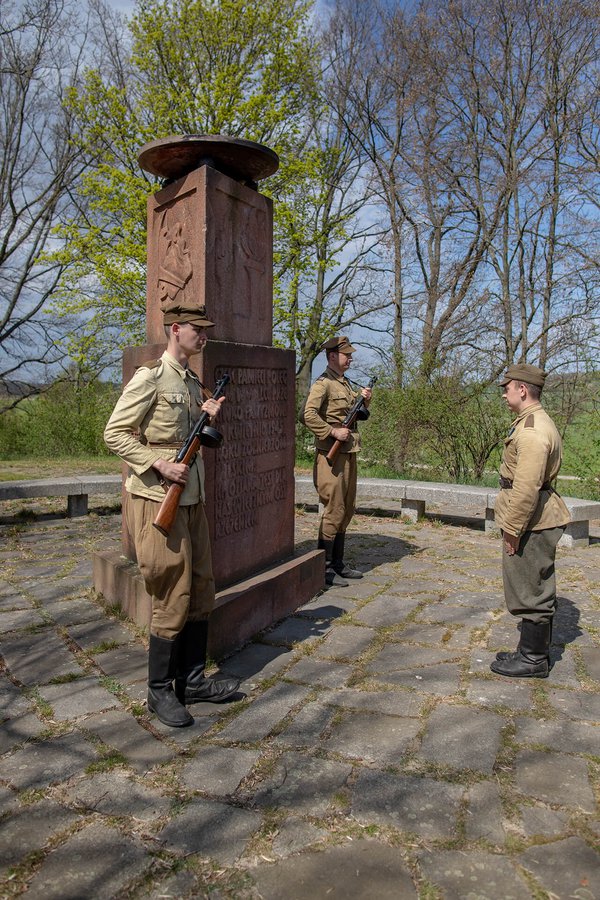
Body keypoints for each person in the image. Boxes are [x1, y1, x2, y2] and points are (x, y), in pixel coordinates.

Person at [104, 304, 239, 727]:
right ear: (176, 329)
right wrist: (159, 463)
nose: (204, 336)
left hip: (191, 498)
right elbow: (114, 433)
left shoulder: (192, 381)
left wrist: (207, 414)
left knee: (200, 587)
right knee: (171, 592)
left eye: (206, 330)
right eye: (198, 329)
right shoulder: (151, 377)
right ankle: (159, 690)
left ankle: (192, 680)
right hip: (156, 498)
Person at [490, 363, 571, 679]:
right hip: (534, 517)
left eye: (507, 388)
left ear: (522, 389)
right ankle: (530, 651)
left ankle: (533, 659)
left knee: (531, 590)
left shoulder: (533, 431)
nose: (504, 394)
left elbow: (526, 487)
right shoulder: (530, 422)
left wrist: (512, 528)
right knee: (531, 584)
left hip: (532, 520)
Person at [303, 336, 372, 586]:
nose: (351, 358)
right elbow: (307, 415)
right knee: (334, 509)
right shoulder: (323, 384)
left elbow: (352, 414)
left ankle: (338, 563)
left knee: (347, 508)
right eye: (347, 355)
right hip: (330, 456)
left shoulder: (344, 383)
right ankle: (324, 568)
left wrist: (365, 401)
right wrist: (331, 431)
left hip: (348, 452)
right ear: (333, 356)